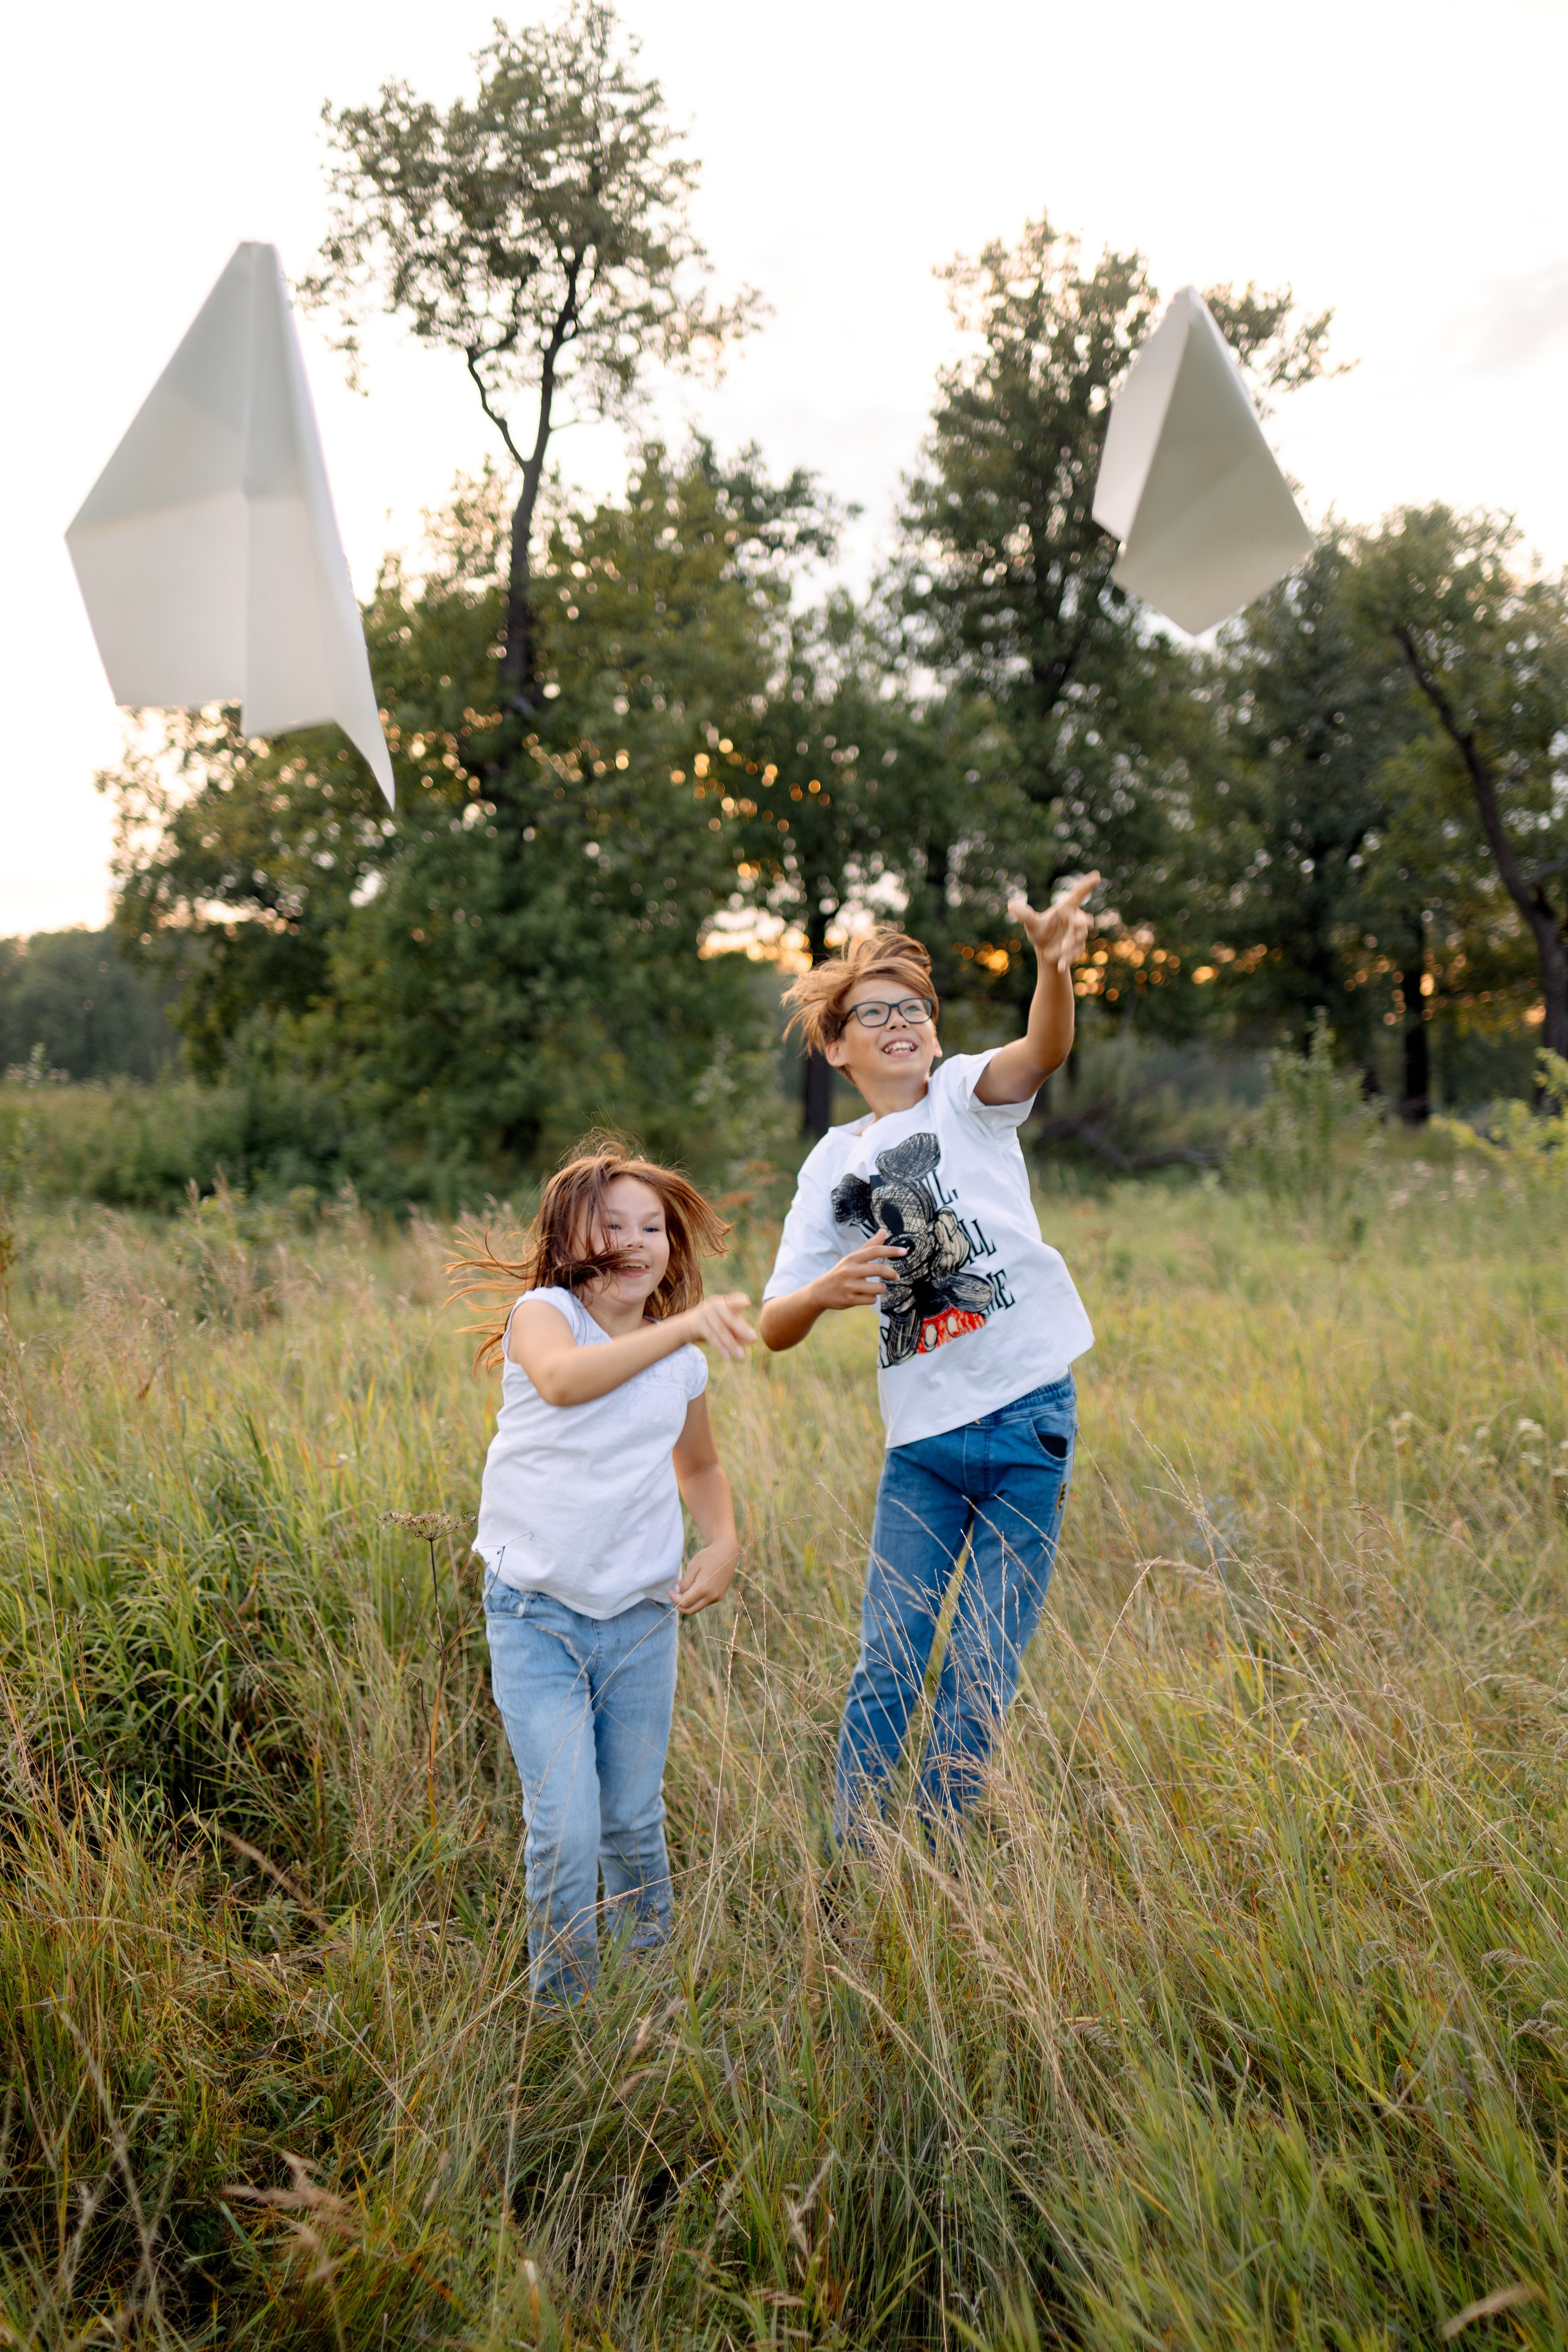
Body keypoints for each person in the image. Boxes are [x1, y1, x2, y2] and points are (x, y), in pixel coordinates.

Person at [758, 881, 1100, 1838]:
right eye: (877, 1012)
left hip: (1029, 1417)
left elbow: (1045, 1050)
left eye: (916, 1008)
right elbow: (776, 1320)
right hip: (921, 1448)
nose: (902, 1022)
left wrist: (1052, 966)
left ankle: (945, 1854)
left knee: (984, 1661)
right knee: (891, 1656)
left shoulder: (964, 1098)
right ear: (838, 1045)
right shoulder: (831, 1165)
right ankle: (854, 1857)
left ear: (936, 1033)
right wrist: (825, 1294)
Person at [464, 1144, 755, 2005]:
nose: (637, 1242)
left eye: (653, 1227)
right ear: (570, 1240)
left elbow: (698, 1467)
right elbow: (560, 1383)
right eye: (614, 1226)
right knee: (566, 1829)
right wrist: (684, 1326)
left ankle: (646, 2002)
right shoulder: (544, 1315)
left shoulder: (681, 1358)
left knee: (632, 1821)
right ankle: (563, 2007)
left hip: (639, 1618)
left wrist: (723, 1540)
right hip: (536, 1618)